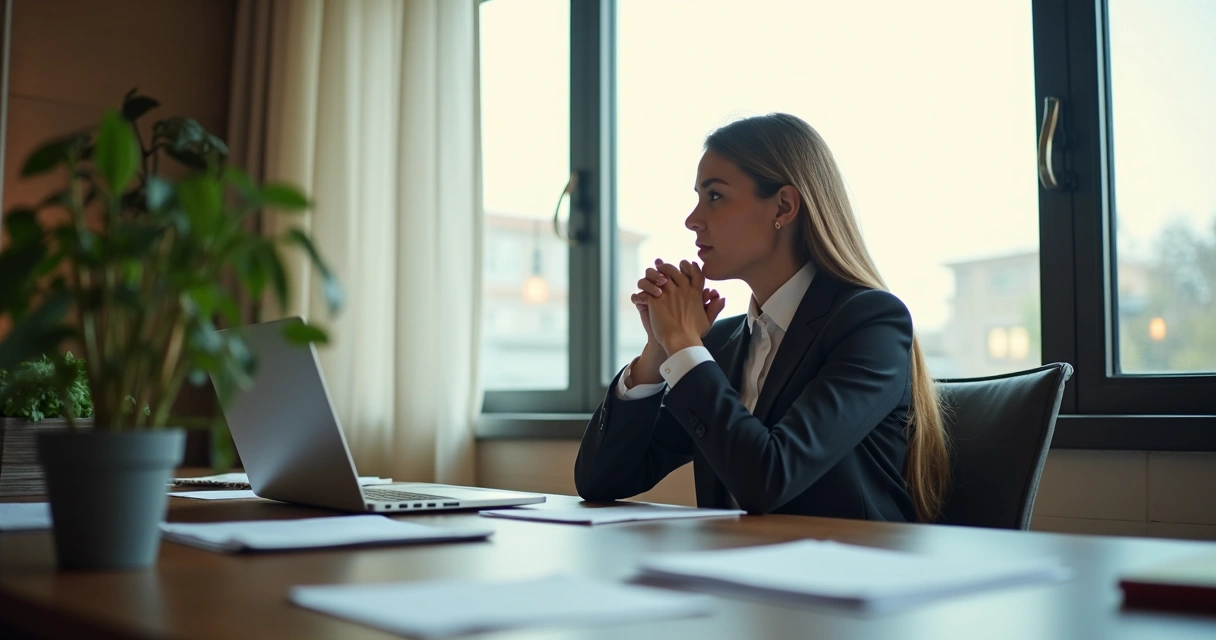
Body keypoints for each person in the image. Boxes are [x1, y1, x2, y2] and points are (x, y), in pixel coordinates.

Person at [574, 113, 949, 522]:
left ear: (784, 206)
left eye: (714, 196)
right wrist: (658, 350)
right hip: (741, 571)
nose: (692, 219)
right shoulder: (721, 344)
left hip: (849, 574)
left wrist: (683, 344)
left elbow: (769, 478)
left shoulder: (870, 323)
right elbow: (600, 481)